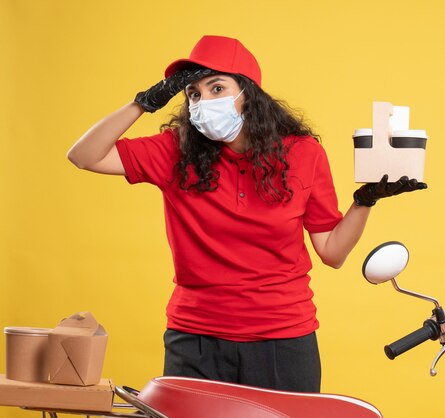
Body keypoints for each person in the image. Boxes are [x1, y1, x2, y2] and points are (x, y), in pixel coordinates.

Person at [67, 35, 426, 393]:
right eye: (194, 94)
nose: (204, 101)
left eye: (217, 88)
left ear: (248, 95)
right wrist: (145, 102)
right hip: (195, 337)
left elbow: (332, 252)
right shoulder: (176, 151)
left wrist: (365, 200)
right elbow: (84, 156)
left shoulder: (303, 154)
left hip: (282, 339)